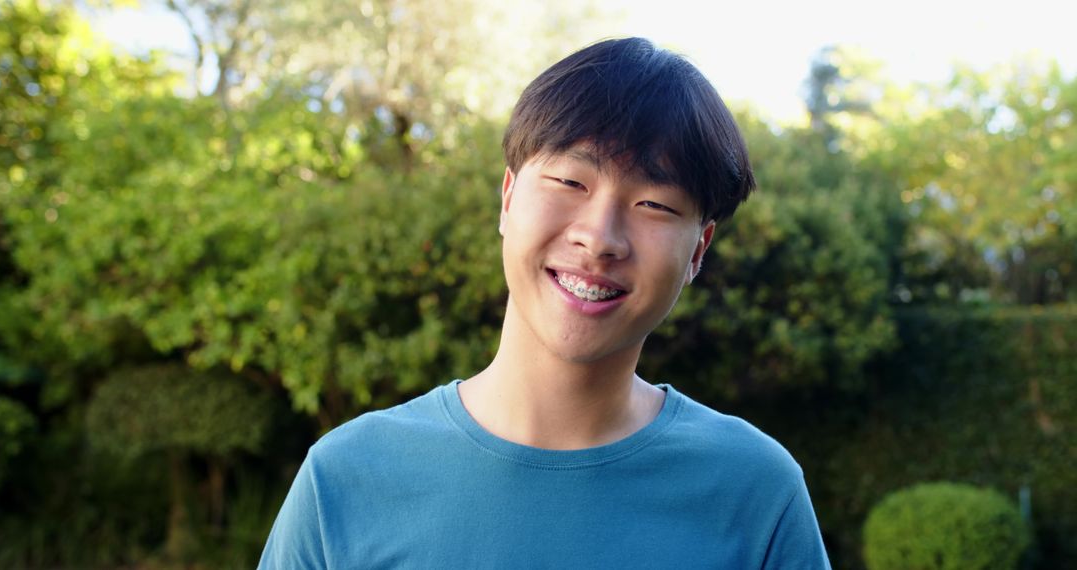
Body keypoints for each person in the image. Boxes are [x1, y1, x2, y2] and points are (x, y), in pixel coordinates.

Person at [259, 37, 831, 569]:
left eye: (655, 204)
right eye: (569, 182)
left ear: (697, 252)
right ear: (508, 198)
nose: (600, 237)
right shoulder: (344, 479)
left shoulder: (756, 494)